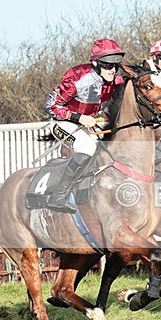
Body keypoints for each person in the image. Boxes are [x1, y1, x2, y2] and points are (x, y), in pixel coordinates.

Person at [43, 38, 125, 212]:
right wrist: (79, 117)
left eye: (115, 66)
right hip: (62, 122)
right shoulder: (78, 77)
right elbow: (50, 106)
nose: (113, 70)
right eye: (108, 65)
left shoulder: (116, 82)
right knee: (87, 147)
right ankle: (59, 196)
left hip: (89, 124)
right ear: (95, 63)